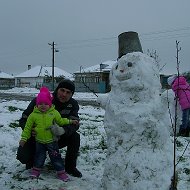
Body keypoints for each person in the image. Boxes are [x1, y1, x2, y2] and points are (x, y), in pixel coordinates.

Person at [17, 79, 82, 177]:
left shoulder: (73, 104)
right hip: (37, 137)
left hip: (57, 138)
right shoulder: (41, 100)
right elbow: (24, 119)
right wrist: (31, 130)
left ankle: (70, 167)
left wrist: (63, 130)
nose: (64, 94)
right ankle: (32, 160)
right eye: (62, 90)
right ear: (57, 89)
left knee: (75, 137)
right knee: (23, 157)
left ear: (72, 94)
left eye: (68, 92)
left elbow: (75, 123)